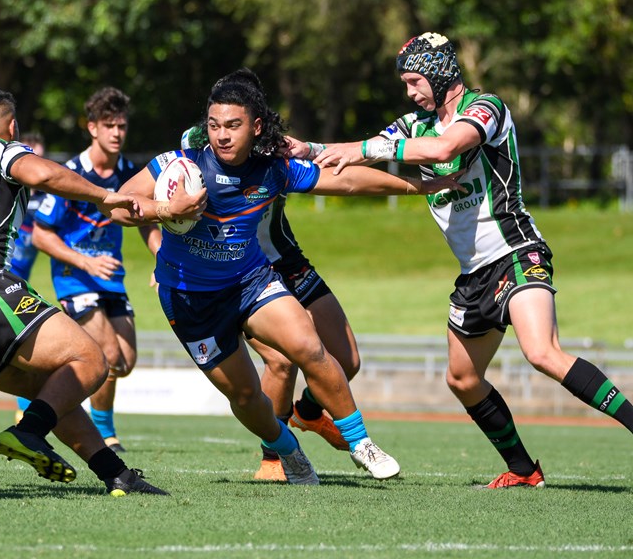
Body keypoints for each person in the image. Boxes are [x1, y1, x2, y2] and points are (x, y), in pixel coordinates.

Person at [310, 32, 633, 488]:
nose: (410, 92)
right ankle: (524, 470)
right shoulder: (412, 126)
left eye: (415, 81)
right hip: (474, 273)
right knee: (462, 379)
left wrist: (364, 149)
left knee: (542, 352)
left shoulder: (486, 108)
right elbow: (349, 157)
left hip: (516, 252)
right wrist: (297, 151)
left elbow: (444, 149)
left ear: (441, 76)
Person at [111, 68, 462, 484]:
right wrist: (167, 210)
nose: (222, 135)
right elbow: (117, 206)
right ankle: (285, 451)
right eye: (215, 125)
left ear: (256, 126)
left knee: (309, 347)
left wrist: (415, 187)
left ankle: (360, 442)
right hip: (189, 297)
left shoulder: (274, 168)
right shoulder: (180, 163)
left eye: (234, 126)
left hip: (250, 280)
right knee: (244, 395)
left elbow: (344, 181)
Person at [0, 87, 167, 496]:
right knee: (93, 359)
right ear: (13, 127)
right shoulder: (3, 151)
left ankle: (115, 473)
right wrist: (104, 196)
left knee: (50, 390)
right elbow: (43, 174)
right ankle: (29, 432)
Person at [180, 70, 361, 483]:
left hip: (287, 258)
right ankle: (274, 459)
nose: (223, 131)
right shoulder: (195, 141)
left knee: (346, 359)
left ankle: (308, 413)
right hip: (237, 265)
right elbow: (168, 191)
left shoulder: (273, 146)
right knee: (280, 360)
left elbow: (328, 176)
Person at [32, 87, 161, 453]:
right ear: (92, 128)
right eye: (109, 125)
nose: (117, 133)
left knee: (126, 360)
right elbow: (41, 235)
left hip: (111, 279)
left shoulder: (130, 175)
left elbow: (148, 222)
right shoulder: (69, 175)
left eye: (122, 125)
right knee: (106, 357)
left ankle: (42, 385)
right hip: (76, 277)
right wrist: (85, 260)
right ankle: (103, 430)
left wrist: (162, 259)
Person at [7, 131, 49, 423]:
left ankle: (25, 410)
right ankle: (25, 411)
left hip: (18, 285)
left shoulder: (43, 202)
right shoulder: (3, 192)